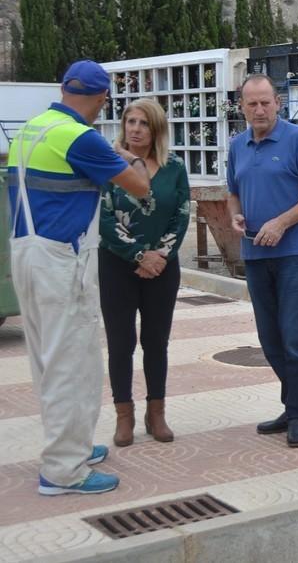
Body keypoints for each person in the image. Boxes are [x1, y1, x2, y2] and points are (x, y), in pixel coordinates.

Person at [8, 60, 151, 495]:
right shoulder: (80, 138)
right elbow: (140, 185)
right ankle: (63, 471)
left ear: (63, 88)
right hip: (59, 263)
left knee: (49, 361)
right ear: (102, 98)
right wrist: (127, 155)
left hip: (27, 253)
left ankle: (70, 447)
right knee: (71, 363)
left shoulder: (35, 127)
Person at [226, 74, 298, 448]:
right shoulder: (237, 146)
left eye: (265, 102)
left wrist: (282, 222)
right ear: (241, 107)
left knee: (294, 340)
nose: (258, 109)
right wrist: (235, 215)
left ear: (278, 103)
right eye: (251, 103)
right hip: (255, 254)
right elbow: (233, 193)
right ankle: (294, 405)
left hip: (296, 255)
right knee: (269, 341)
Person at [98, 98, 190, 448]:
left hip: (162, 269)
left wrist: (159, 257)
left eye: (143, 123)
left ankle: (157, 412)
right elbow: (103, 217)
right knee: (121, 343)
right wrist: (138, 254)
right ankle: (124, 416)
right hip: (116, 266)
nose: (135, 129)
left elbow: (180, 214)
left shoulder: (174, 166)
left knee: (156, 342)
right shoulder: (109, 164)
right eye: (130, 121)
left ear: (157, 129)